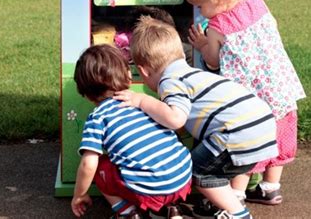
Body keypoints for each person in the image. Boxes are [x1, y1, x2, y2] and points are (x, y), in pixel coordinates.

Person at [114, 16, 278, 219]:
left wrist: (142, 102)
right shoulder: (195, 74)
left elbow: (175, 118)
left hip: (237, 133)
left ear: (143, 71)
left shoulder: (170, 81)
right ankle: (220, 202)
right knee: (214, 166)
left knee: (197, 171)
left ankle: (238, 214)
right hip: (263, 125)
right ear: (182, 54)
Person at [182, 0, 306, 205]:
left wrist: (203, 44)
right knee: (278, 142)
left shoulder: (218, 26)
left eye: (200, 5)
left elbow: (214, 60)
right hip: (281, 91)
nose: (199, 11)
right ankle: (270, 188)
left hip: (252, 103)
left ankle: (235, 194)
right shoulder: (258, 5)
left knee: (246, 148)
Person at [71, 44, 192, 219]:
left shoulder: (97, 118)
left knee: (101, 166)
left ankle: (128, 213)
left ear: (87, 95)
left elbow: (88, 164)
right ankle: (171, 209)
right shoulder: (143, 102)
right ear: (129, 78)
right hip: (183, 179)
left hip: (149, 191)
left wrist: (79, 194)